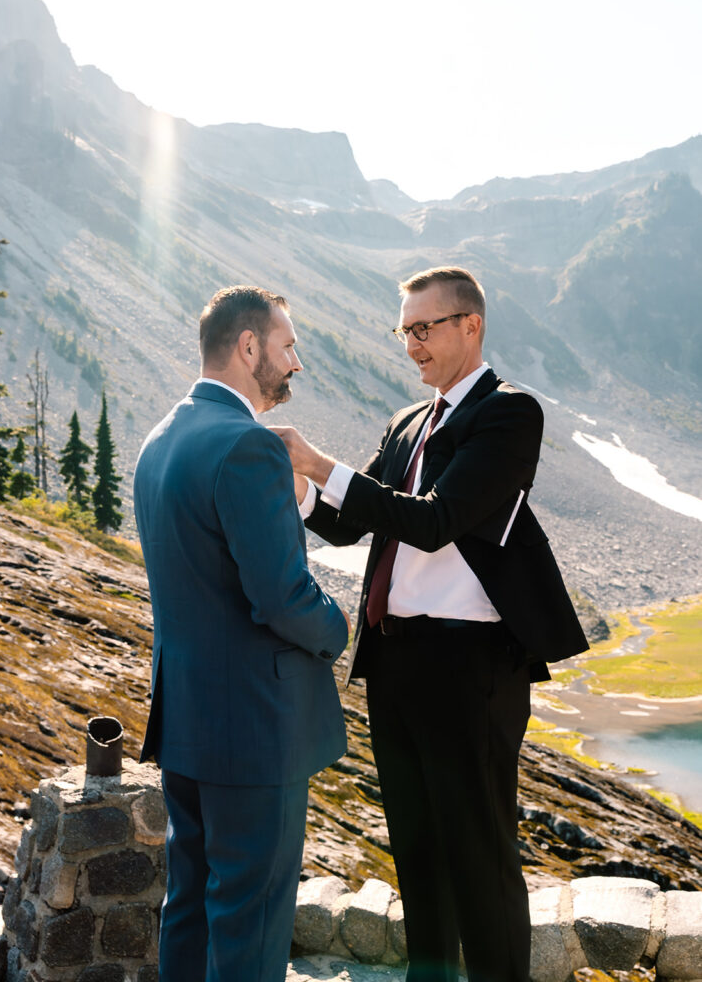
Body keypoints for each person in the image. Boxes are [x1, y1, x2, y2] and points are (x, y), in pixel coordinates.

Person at [272, 266, 588, 982]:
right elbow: (355, 526)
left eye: (423, 328)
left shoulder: (509, 412)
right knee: (415, 841)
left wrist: (319, 460)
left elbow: (436, 523)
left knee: (478, 846)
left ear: (469, 326)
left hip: (471, 663)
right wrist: (301, 489)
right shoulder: (408, 422)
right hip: (394, 658)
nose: (410, 345)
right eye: (403, 330)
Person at [134, 285, 349, 982]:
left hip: (188, 724)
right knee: (251, 925)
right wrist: (338, 626)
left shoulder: (160, 439)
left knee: (190, 906)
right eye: (287, 346)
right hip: (255, 733)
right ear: (248, 345)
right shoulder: (247, 448)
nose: (296, 363)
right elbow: (283, 599)